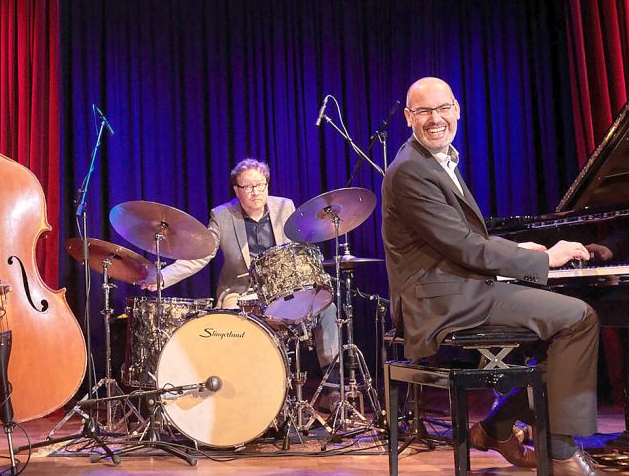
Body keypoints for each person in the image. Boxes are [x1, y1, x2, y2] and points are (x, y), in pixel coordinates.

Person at [381, 77, 601, 476]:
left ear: (458, 110)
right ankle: (559, 450)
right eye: (425, 112)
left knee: (562, 326)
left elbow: (464, 238)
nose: (436, 119)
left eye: (443, 108)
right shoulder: (411, 170)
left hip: (459, 287)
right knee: (577, 318)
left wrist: (522, 252)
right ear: (409, 118)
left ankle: (498, 426)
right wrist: (543, 259)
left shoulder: (438, 161)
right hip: (442, 300)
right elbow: (464, 246)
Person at [143, 158, 340, 409]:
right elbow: (201, 255)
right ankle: (242, 391)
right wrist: (163, 277)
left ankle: (331, 390)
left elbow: (302, 248)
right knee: (233, 314)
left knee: (328, 309)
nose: (256, 192)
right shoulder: (222, 215)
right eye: (248, 187)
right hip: (240, 292)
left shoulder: (285, 207)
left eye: (260, 185)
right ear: (236, 189)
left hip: (282, 291)